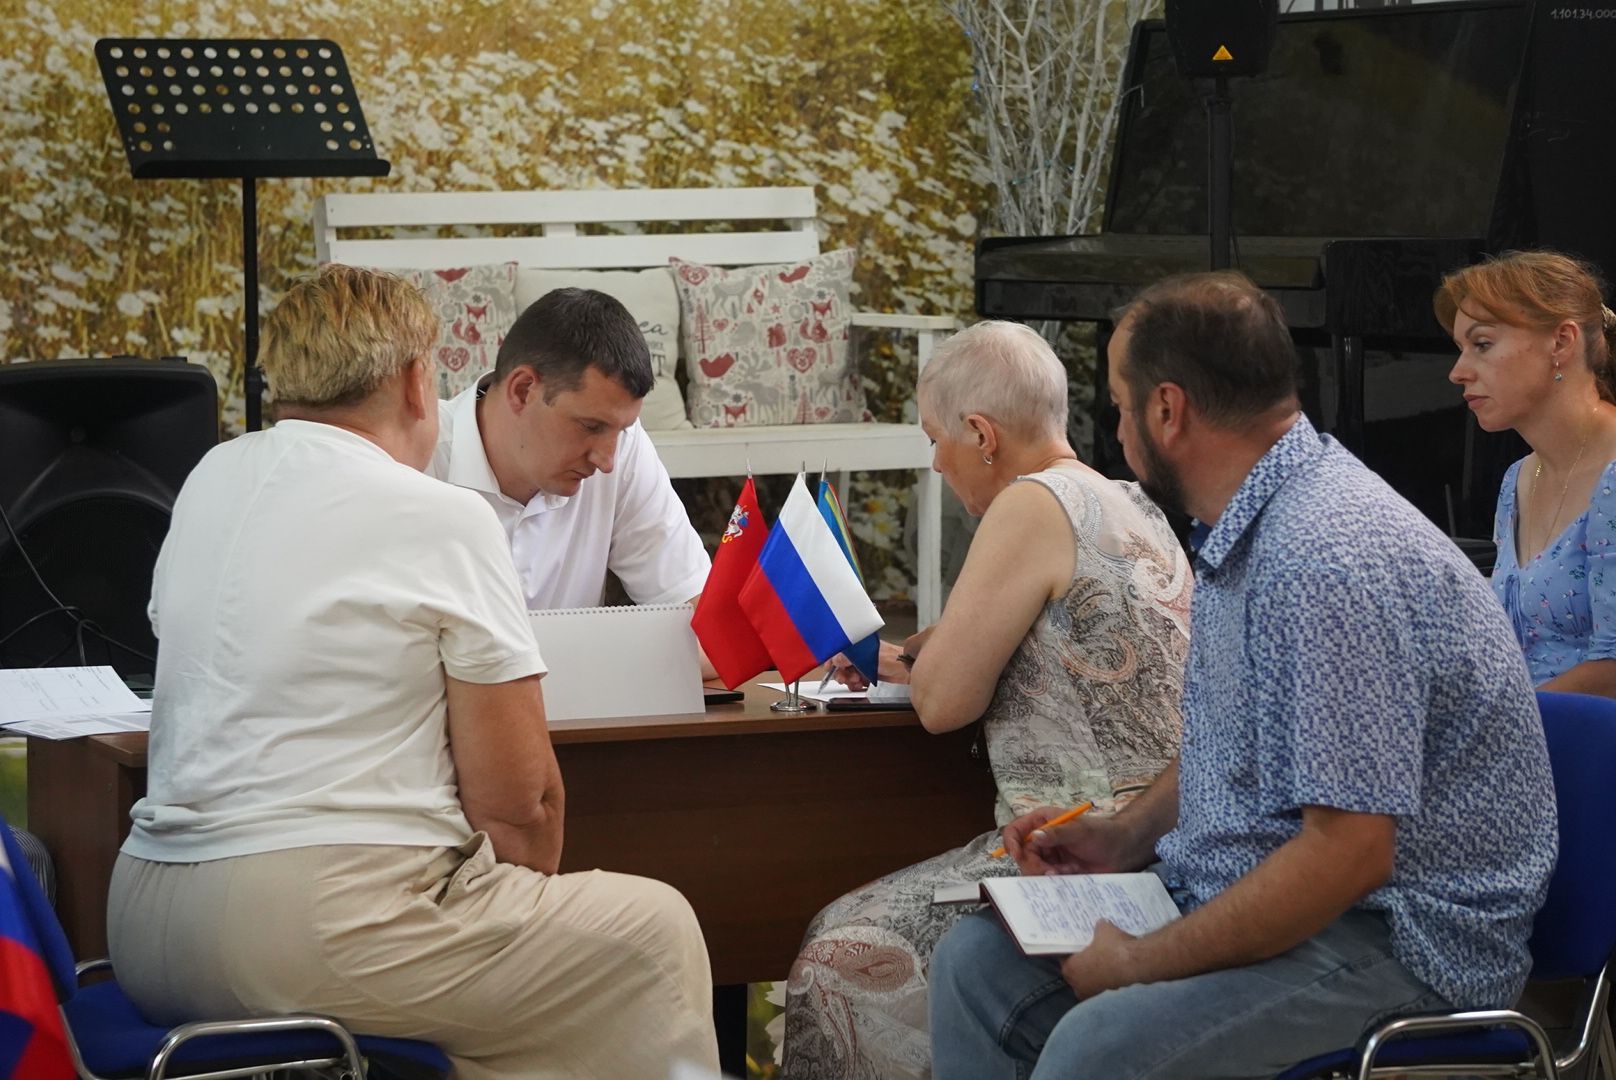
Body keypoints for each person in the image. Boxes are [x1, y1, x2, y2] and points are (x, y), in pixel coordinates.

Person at [928, 271, 1557, 1080]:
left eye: (1119, 407)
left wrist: (1141, 963)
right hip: (1276, 891)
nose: (1115, 430)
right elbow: (1235, 738)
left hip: (1398, 941)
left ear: (1167, 410)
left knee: (1099, 1051)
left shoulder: (1323, 556)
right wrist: (1123, 836)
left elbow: (1350, 856)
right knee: (978, 968)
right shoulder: (1253, 521)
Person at [107, 266, 720, 1080]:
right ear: (414, 379)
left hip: (144, 926)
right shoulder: (443, 514)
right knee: (654, 930)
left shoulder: (209, 482)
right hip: (316, 932)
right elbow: (522, 811)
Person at [782, 320, 1190, 1080]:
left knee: (834, 950)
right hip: (1162, 840)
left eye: (936, 440)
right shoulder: (1126, 498)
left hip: (1077, 848)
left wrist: (921, 666)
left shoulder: (1030, 503)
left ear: (982, 433)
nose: (937, 462)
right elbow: (1034, 653)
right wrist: (915, 657)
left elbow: (943, 705)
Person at [427, 287, 713, 625]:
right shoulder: (414, 458)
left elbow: (706, 625)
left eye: (620, 431)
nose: (607, 460)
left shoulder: (624, 445)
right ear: (523, 390)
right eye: (590, 426)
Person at [1440, 250, 1616, 693]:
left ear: (1561, 342)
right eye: (1460, 349)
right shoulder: (1518, 477)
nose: (1458, 372)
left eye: (1482, 344)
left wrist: (1488, 725)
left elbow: (1612, 671)